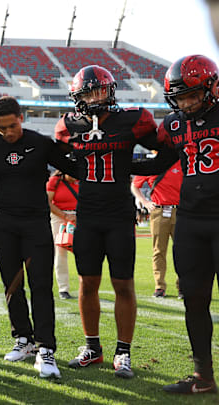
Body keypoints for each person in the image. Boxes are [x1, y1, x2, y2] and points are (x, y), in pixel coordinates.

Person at [54, 65, 164, 379]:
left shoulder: (132, 119)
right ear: (77, 97)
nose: (93, 97)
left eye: (98, 90)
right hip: (87, 215)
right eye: (86, 92)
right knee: (87, 284)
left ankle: (123, 352)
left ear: (110, 90)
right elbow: (63, 161)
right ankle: (92, 348)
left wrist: (129, 162)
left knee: (123, 285)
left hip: (118, 215)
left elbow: (162, 150)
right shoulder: (68, 125)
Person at [0, 96, 75, 378]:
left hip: (36, 224)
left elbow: (73, 167)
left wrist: (76, 140)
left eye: (12, 126)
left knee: (41, 286)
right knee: (12, 287)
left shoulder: (40, 143)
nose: (8, 133)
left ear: (21, 118)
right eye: (2, 128)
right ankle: (23, 340)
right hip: (4, 226)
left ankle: (45, 348)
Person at [132, 55, 219, 395]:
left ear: (210, 87)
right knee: (194, 299)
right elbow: (161, 162)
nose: (186, 103)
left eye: (192, 95)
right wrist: (116, 156)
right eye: (180, 97)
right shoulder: (175, 124)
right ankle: (203, 376)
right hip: (191, 220)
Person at [130, 161, 183, 298]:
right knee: (159, 250)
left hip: (180, 211)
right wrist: (145, 202)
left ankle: (182, 285)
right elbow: (135, 186)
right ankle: (159, 286)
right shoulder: (151, 165)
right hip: (159, 211)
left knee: (183, 251)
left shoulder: (181, 163)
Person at [46, 170, 79, 299]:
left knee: (84, 251)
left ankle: (86, 284)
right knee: (60, 251)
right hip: (59, 217)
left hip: (79, 217)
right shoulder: (55, 181)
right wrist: (65, 216)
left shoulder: (82, 180)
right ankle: (63, 288)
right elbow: (48, 202)